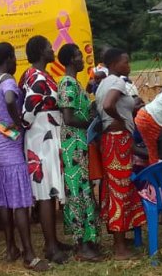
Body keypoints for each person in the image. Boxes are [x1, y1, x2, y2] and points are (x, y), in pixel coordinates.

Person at [0, 42, 50, 272]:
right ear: (8, 58)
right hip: (10, 144)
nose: (15, 62)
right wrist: (19, 122)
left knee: (4, 200)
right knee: (20, 203)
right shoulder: (9, 81)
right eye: (14, 57)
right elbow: (11, 100)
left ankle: (11, 247)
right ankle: (29, 255)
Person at [19, 35, 70, 264]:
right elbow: (26, 115)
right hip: (42, 139)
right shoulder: (37, 78)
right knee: (47, 194)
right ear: (41, 51)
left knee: (50, 192)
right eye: (49, 46)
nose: (53, 49)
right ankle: (50, 246)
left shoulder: (40, 75)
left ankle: (54, 241)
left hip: (47, 136)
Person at [95, 48, 145, 260]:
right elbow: (108, 105)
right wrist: (121, 119)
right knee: (120, 191)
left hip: (109, 140)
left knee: (115, 188)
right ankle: (119, 248)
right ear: (115, 64)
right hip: (118, 139)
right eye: (126, 62)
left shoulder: (103, 83)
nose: (129, 65)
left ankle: (121, 240)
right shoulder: (116, 81)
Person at [56, 44, 102, 261]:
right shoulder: (67, 83)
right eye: (78, 56)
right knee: (77, 194)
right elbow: (68, 117)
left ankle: (89, 239)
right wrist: (90, 122)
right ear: (70, 60)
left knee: (85, 191)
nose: (82, 59)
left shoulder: (75, 83)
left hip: (80, 143)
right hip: (73, 144)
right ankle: (81, 245)